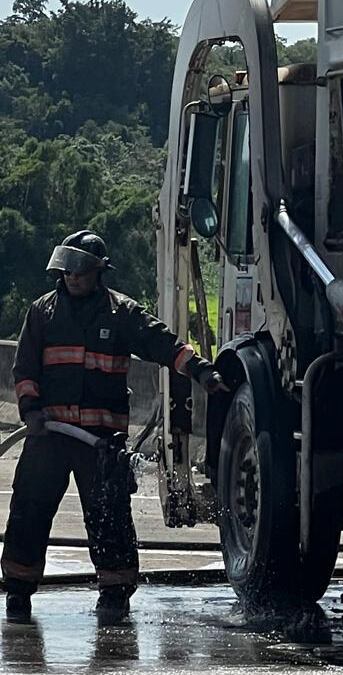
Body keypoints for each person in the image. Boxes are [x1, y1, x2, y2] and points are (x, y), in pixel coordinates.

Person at [3, 231, 227, 625]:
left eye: (80, 270)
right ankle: (18, 593)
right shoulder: (43, 312)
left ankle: (115, 594)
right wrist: (30, 409)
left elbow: (162, 344)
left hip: (101, 445)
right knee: (29, 512)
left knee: (110, 519)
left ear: (98, 272)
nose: (72, 277)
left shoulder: (119, 313)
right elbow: (23, 369)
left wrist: (200, 371)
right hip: (49, 438)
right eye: (67, 269)